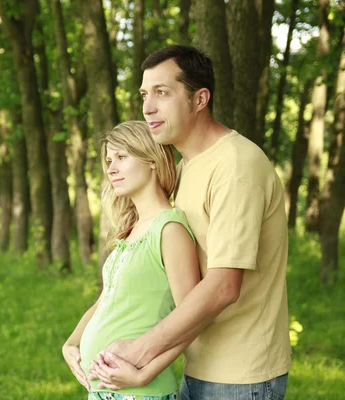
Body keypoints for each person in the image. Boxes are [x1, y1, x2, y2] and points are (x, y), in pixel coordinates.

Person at [90, 45, 291, 400]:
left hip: (239, 375)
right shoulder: (185, 169)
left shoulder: (236, 166)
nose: (148, 107)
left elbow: (223, 286)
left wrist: (139, 353)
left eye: (162, 93)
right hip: (197, 364)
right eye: (144, 94)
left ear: (200, 99)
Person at [62, 120, 200, 400]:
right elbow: (107, 299)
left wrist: (144, 373)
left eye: (121, 157)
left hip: (141, 393)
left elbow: (193, 318)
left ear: (151, 160)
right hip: (106, 392)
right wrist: (71, 343)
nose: (111, 168)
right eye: (109, 160)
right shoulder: (132, 228)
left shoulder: (169, 228)